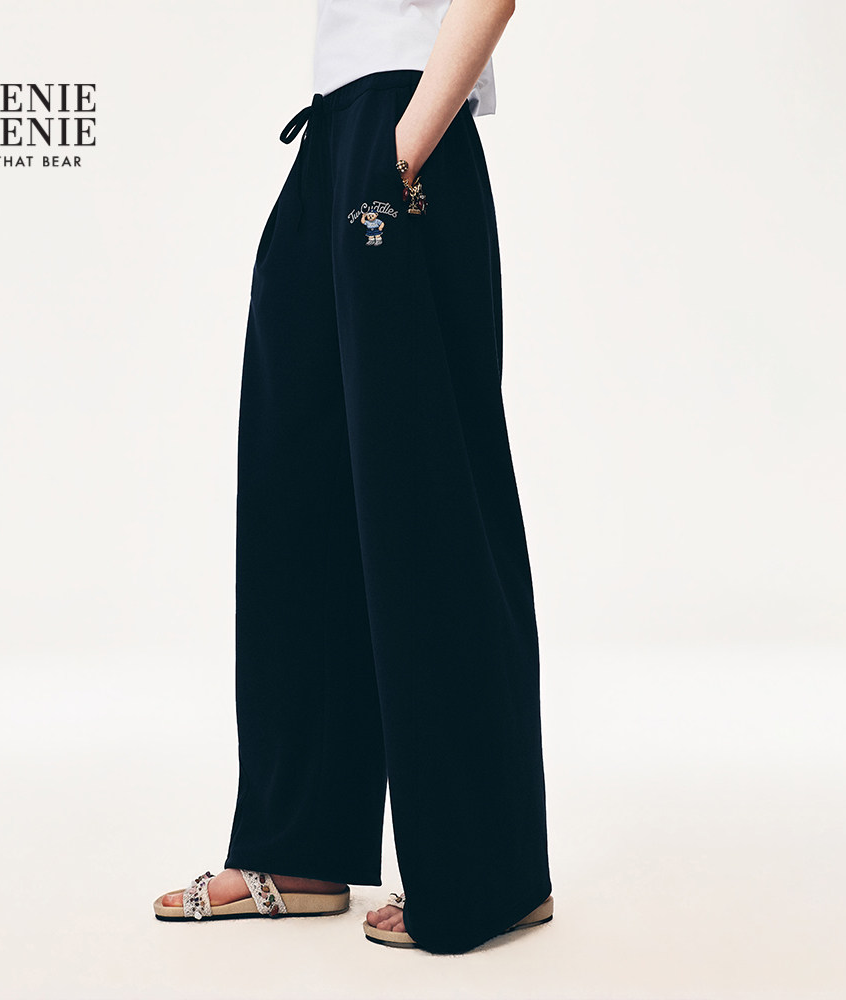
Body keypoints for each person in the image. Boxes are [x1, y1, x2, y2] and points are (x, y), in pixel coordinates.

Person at [152, 0, 554, 955]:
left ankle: (489, 867)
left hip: (405, 123)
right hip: (336, 127)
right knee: (297, 488)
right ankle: (298, 844)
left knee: (427, 503)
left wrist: (407, 145)